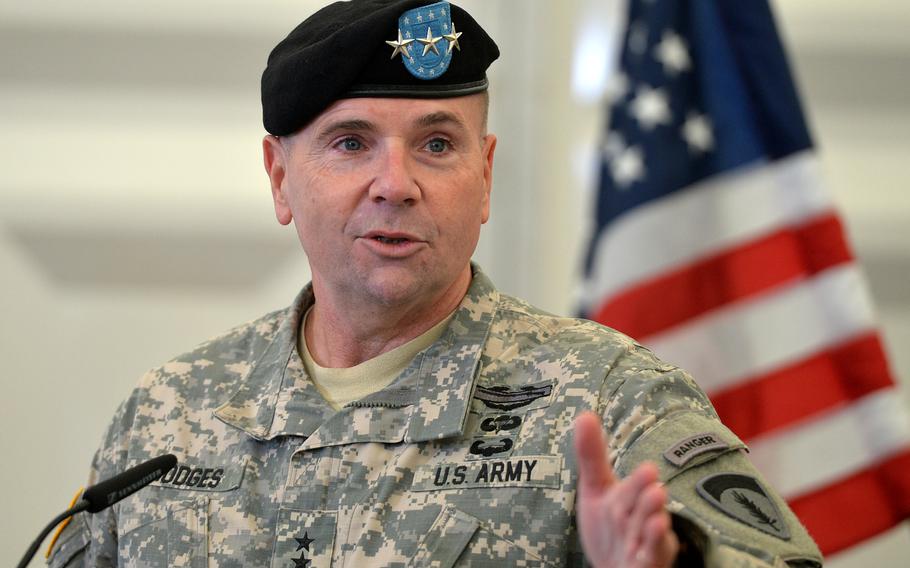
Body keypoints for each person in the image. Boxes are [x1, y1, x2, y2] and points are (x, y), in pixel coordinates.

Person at [46, 1, 823, 566]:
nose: (397, 183)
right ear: (280, 178)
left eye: (437, 144)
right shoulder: (169, 417)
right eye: (351, 143)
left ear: (484, 178)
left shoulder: (611, 401)